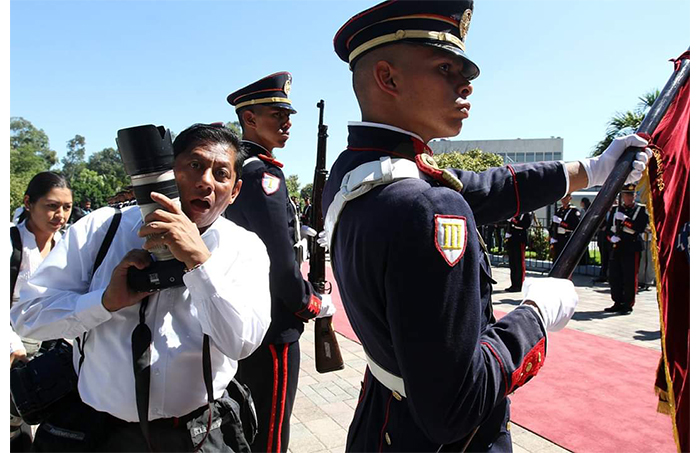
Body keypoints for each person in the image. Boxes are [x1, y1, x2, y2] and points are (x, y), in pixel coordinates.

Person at [321, 1, 651, 451]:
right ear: (388, 78)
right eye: (445, 68)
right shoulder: (427, 205)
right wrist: (532, 319)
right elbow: (455, 406)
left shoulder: (350, 172)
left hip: (384, 422)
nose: (467, 85)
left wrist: (590, 169)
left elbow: (478, 188)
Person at [11, 123, 271, 452]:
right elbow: (27, 316)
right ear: (167, 171)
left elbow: (241, 343)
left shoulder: (243, 248)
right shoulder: (101, 228)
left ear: (234, 191)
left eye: (221, 174)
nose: (205, 181)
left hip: (195, 434)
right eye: (194, 165)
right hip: (98, 432)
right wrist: (103, 302)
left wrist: (199, 263)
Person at [224, 73, 335, 453]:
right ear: (250, 119)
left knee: (244, 420)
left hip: (241, 317)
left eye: (289, 116)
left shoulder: (240, 168)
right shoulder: (264, 175)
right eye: (277, 115)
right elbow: (279, 263)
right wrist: (311, 302)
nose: (287, 124)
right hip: (273, 324)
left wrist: (300, 227)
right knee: (270, 431)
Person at [9, 171, 73, 452]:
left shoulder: (69, 245)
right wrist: (12, 346)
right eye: (51, 205)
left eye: (67, 207)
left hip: (51, 344)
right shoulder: (11, 243)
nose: (60, 214)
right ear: (28, 203)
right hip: (14, 343)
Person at [604, 183, 649, 314]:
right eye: (626, 195)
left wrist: (625, 220)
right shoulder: (615, 210)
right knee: (615, 276)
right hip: (617, 247)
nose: (629, 198)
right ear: (622, 196)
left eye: (631, 195)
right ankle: (617, 301)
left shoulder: (640, 210)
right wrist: (611, 238)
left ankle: (628, 304)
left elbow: (640, 228)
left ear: (635, 195)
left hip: (631, 248)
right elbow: (607, 230)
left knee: (629, 277)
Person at [504, 212, 532, 292]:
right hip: (512, 238)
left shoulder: (527, 213)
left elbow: (526, 225)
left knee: (519, 263)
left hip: (520, 239)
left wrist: (514, 221)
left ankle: (520, 285)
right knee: (512, 262)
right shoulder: (515, 213)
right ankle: (514, 284)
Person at [549, 193, 581, 262]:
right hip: (557, 238)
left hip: (566, 238)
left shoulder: (574, 211)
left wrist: (561, 223)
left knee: (565, 260)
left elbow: (575, 226)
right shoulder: (558, 210)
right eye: (562, 198)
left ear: (570, 198)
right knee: (556, 259)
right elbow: (553, 226)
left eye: (566, 197)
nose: (563, 200)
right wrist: (552, 237)